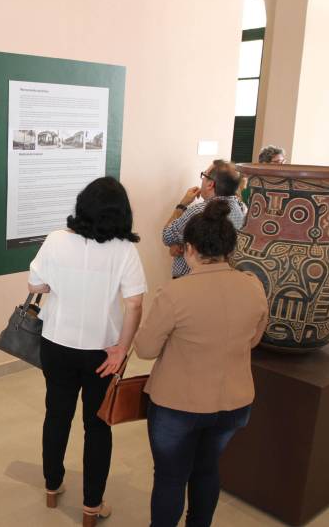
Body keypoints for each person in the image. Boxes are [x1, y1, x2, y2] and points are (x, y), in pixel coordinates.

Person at [135, 199, 268, 527]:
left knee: (170, 477)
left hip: (178, 406)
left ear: (189, 249)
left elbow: (146, 349)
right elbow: (253, 340)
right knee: (207, 470)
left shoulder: (175, 293)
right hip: (234, 403)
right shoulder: (253, 287)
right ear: (229, 249)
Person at [28, 176, 146, 526]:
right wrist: (121, 350)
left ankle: (52, 487)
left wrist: (58, 282)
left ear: (82, 205)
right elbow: (135, 304)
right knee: (97, 427)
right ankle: (91, 507)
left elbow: (36, 284)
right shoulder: (124, 250)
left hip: (56, 344)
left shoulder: (55, 240)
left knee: (56, 414)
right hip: (101, 352)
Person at [162, 159, 245, 278]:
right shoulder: (242, 208)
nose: (202, 180)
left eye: (204, 175)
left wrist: (181, 205)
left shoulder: (197, 212)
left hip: (191, 281)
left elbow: (167, 236)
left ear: (210, 184)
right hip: (225, 279)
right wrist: (180, 244)